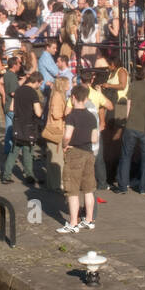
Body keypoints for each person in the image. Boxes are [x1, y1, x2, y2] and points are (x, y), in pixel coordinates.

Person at [57, 84, 99, 233]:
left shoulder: (72, 116)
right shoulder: (91, 116)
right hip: (89, 153)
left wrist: (64, 145)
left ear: (73, 97)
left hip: (75, 153)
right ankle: (89, 220)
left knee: (72, 190)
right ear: (86, 98)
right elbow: (94, 138)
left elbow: (67, 135)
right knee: (88, 189)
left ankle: (73, 223)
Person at [115, 59, 145, 195]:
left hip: (132, 124)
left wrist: (126, 122)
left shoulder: (134, 85)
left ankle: (122, 186)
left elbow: (128, 105)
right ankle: (143, 188)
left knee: (126, 155)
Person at [1, 70, 45, 185]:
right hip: (29, 126)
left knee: (14, 151)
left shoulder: (18, 90)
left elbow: (11, 108)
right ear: (37, 81)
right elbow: (38, 113)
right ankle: (29, 175)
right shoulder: (33, 93)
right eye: (40, 84)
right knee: (28, 151)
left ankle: (6, 175)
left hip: (17, 124)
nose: (39, 86)